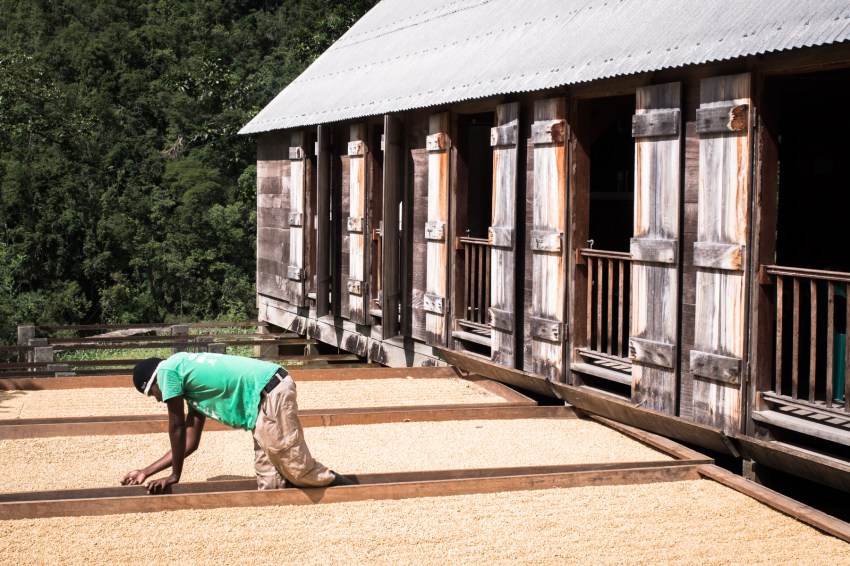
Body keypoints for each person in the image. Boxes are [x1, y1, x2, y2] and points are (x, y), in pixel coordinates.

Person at [121, 351, 355, 493]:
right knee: (269, 482)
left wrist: (174, 476)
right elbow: (190, 443)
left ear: (154, 381)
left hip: (270, 391)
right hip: (259, 407)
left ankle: (352, 490)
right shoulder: (189, 385)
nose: (158, 399)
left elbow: (177, 427)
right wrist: (146, 471)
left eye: (153, 394)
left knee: (297, 468)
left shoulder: (168, 371)